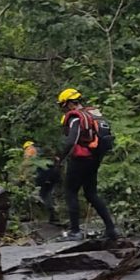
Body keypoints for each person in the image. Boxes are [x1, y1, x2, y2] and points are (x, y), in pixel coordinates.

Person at [56, 88, 118, 241]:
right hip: (94, 159)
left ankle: (75, 231)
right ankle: (111, 229)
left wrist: (60, 158)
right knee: (91, 193)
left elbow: (72, 141)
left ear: (69, 104)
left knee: (70, 192)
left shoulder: (76, 118)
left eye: (63, 106)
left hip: (80, 159)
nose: (63, 109)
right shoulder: (92, 114)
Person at [22, 140, 61, 225]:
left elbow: (27, 164)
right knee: (49, 195)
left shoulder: (30, 151)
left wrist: (24, 176)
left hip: (43, 176)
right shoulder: (44, 151)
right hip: (53, 175)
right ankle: (54, 216)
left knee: (42, 195)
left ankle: (31, 215)